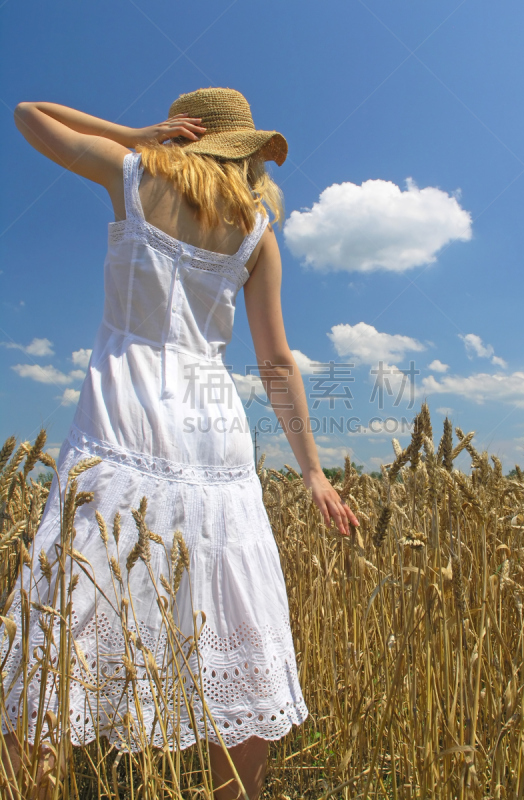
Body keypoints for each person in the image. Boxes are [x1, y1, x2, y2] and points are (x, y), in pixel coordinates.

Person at [0, 88, 359, 799]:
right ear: (245, 151)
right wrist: (313, 472)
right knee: (234, 617)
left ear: (183, 138)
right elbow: (276, 359)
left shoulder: (134, 173)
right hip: (213, 433)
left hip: (121, 418)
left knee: (68, 623)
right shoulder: (257, 230)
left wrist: (135, 133)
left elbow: (28, 113)